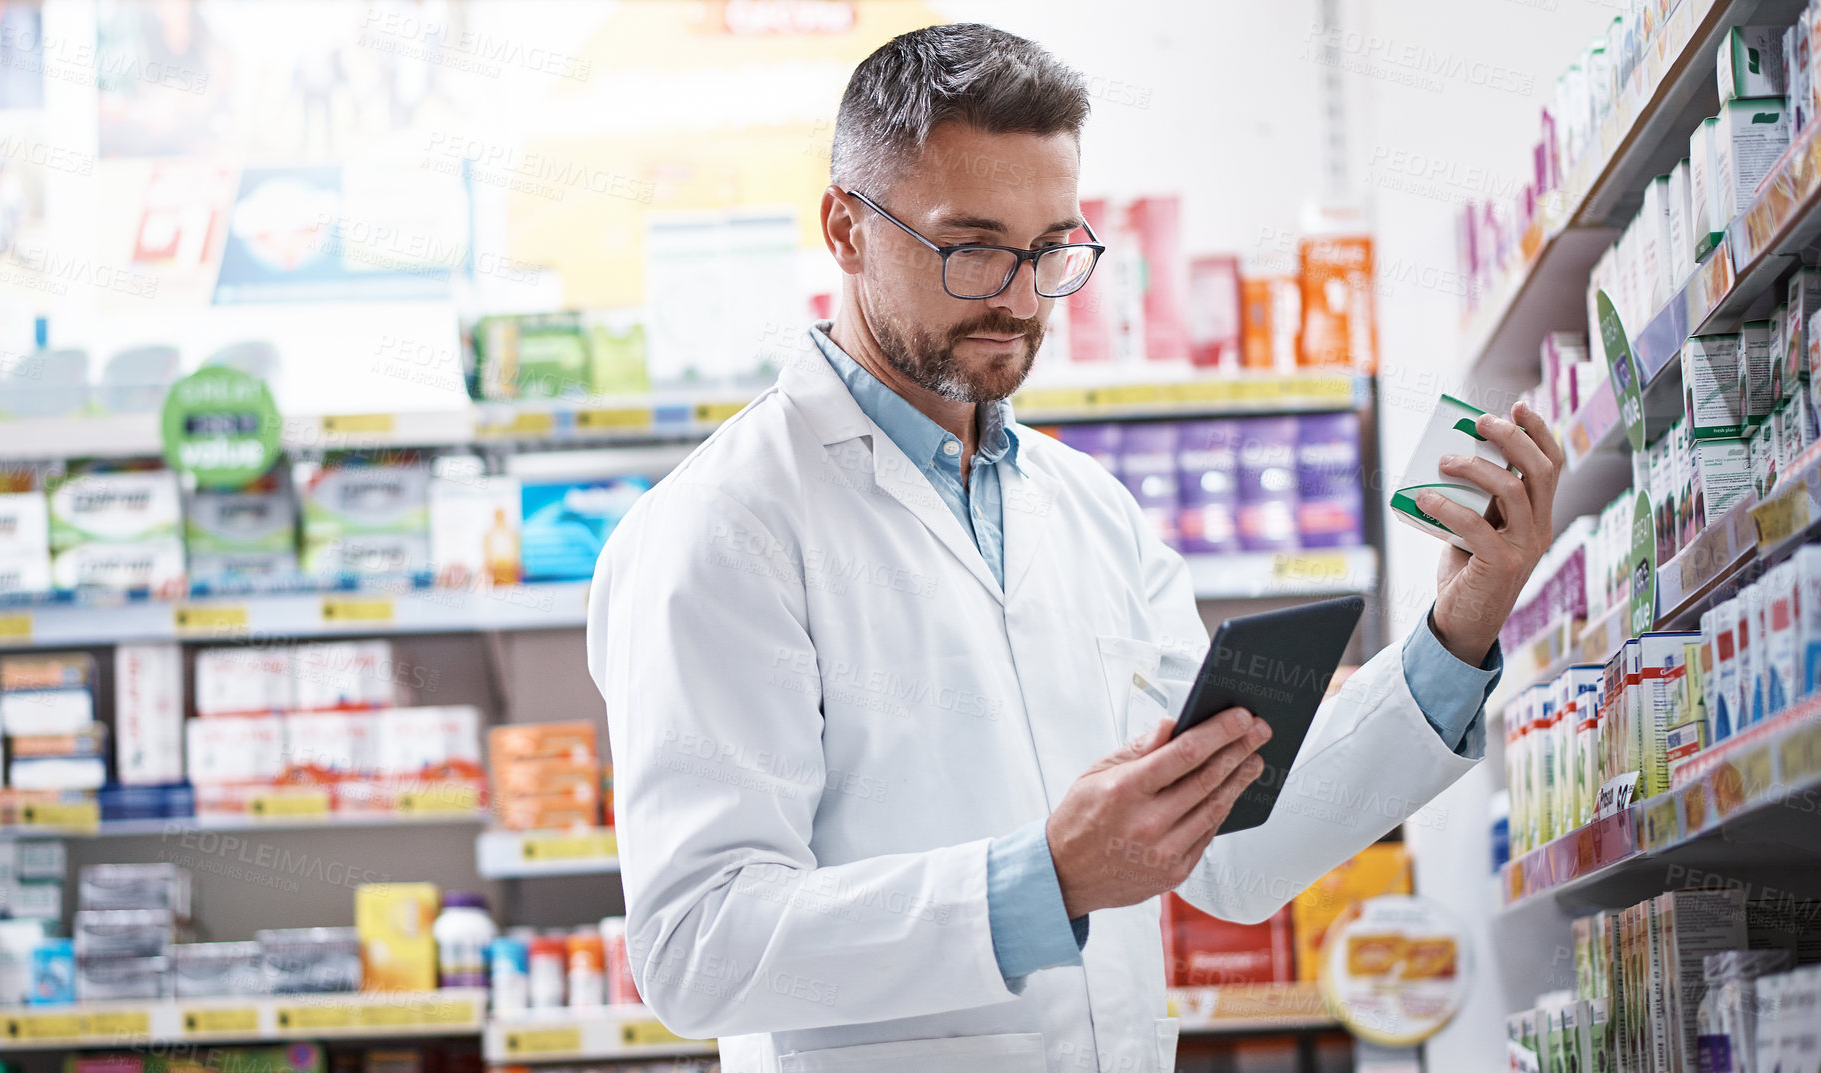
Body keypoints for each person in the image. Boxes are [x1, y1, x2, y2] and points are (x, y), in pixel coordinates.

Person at [587, 23, 1563, 1073]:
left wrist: (1456, 627)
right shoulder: (721, 526)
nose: (1016, 296)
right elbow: (698, 948)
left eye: (1050, 248)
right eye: (970, 246)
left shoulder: (1090, 510)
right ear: (844, 226)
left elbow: (1230, 844)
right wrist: (1038, 881)